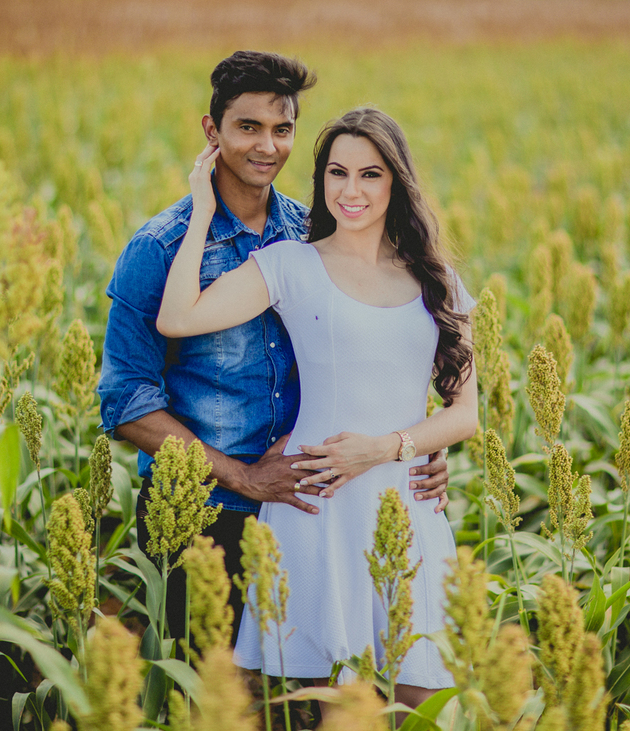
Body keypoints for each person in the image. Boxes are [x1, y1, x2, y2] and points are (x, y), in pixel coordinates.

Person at [96, 51, 451, 649]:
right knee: (212, 699)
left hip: (308, 506)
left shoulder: (312, 236)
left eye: (281, 129)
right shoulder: (160, 249)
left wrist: (410, 449)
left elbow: (366, 352)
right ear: (212, 131)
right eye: (248, 127)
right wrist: (244, 477)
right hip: (200, 513)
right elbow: (125, 402)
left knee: (297, 697)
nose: (267, 146)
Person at [157, 106, 478, 708]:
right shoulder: (290, 266)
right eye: (337, 173)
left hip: (409, 502)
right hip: (317, 504)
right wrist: (201, 208)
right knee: (304, 700)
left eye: (370, 174)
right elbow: (178, 317)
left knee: (420, 697)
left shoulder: (438, 280)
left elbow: (465, 415)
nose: (351, 191)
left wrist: (388, 449)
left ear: (397, 182)